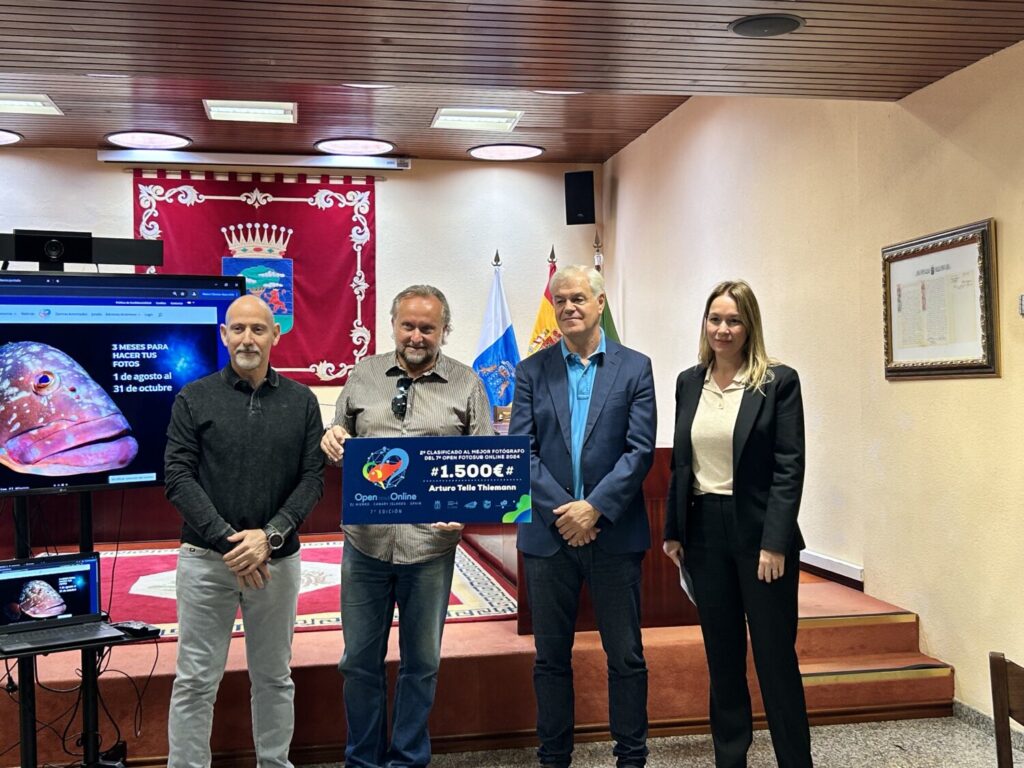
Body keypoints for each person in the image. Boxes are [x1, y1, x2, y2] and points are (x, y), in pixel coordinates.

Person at [321, 285, 494, 768]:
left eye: (428, 328)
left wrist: (463, 507)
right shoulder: (363, 375)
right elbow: (340, 438)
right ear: (393, 324)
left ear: (444, 331)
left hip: (430, 547)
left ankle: (408, 759)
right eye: (409, 325)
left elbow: (482, 463)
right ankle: (363, 760)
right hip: (365, 543)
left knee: (422, 664)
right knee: (358, 663)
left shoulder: (467, 384)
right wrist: (332, 439)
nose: (417, 336)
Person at [164, 294, 325, 768]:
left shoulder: (302, 402)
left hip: (276, 560)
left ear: (277, 335)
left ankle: (274, 763)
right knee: (195, 679)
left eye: (258, 329)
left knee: (274, 677)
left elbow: (312, 478)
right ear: (224, 335)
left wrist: (268, 537)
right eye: (238, 329)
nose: (248, 339)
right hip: (206, 560)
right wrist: (229, 542)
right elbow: (177, 476)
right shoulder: (193, 398)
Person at [511, 264, 656, 768]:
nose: (569, 306)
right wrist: (563, 514)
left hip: (613, 534)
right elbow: (520, 452)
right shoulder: (530, 370)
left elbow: (639, 452)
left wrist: (593, 509)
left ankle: (631, 757)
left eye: (578, 298)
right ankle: (553, 758)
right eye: (561, 300)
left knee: (627, 658)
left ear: (599, 304)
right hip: (547, 539)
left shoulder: (635, 367)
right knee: (551, 660)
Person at [663, 279, 812, 768]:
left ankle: (795, 760)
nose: (722, 329)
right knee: (722, 659)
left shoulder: (776, 381)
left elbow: (790, 466)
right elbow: (681, 463)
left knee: (774, 659)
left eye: (733, 320)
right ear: (704, 325)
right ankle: (730, 758)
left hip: (760, 537)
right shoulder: (689, 381)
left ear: (750, 326)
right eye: (715, 319)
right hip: (704, 532)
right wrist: (674, 531)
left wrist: (775, 544)